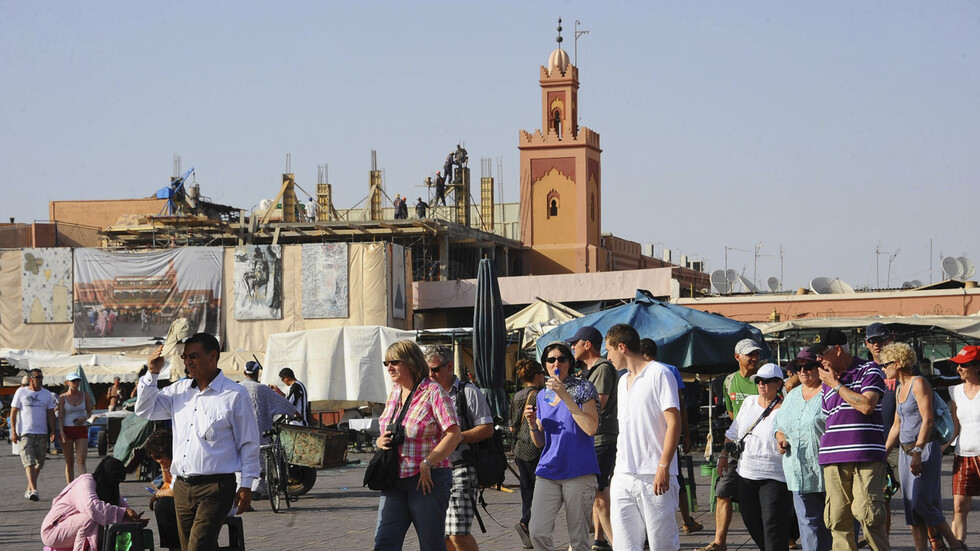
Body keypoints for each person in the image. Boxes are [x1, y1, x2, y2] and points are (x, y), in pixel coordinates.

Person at [135, 333, 261, 551]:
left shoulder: (234, 394)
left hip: (216, 488)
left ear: (213, 356)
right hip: (182, 487)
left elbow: (248, 443)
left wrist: (247, 485)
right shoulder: (178, 391)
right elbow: (145, 409)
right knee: (189, 547)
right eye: (184, 357)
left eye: (193, 355)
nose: (188, 361)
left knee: (198, 546)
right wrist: (152, 374)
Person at [373, 340, 462, 551]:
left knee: (431, 545)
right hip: (394, 478)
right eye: (386, 363)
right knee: (384, 542)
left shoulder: (433, 392)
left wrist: (428, 462)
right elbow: (389, 426)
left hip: (427, 480)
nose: (389, 367)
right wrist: (379, 440)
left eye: (395, 361)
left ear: (411, 362)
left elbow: (454, 434)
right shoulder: (395, 391)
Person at [881, 342, 965, 551]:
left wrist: (918, 451)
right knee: (911, 507)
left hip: (925, 449)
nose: (883, 368)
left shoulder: (919, 383)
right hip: (905, 452)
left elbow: (927, 420)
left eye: (886, 364)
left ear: (898, 363)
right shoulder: (900, 388)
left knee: (922, 501)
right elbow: (896, 426)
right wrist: (882, 454)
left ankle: (954, 544)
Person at [812, 328, 890, 551]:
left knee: (869, 516)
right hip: (833, 457)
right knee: (837, 520)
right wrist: (831, 383)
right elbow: (829, 419)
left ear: (837, 350)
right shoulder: (826, 380)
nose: (818, 360)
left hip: (866, 454)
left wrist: (837, 385)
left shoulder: (869, 369)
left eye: (821, 353)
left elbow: (867, 405)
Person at [605, 324, 681, 551]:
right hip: (623, 474)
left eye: (608, 351)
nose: (607, 357)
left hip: (654, 474)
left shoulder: (660, 373)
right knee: (624, 546)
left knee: (662, 544)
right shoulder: (621, 382)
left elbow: (674, 422)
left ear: (622, 347)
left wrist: (663, 465)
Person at [523, 341, 600, 551]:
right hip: (549, 471)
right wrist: (532, 424)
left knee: (578, 540)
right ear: (545, 365)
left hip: (579, 471)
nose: (556, 363)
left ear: (570, 362)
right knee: (537, 532)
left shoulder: (584, 388)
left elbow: (591, 428)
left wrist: (565, 396)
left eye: (562, 358)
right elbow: (540, 442)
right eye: (551, 359)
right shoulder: (543, 394)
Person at [425, 345, 494, 551]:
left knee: (458, 532)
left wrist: (456, 438)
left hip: (461, 466)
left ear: (449, 367)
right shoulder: (427, 393)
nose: (431, 374)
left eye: (435, 369)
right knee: (443, 534)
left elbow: (487, 428)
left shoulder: (467, 392)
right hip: (435, 469)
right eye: (427, 370)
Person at [698, 338, 762, 551]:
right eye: (749, 354)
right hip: (737, 448)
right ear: (737, 357)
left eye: (756, 354)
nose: (754, 358)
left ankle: (783, 538)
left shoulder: (763, 378)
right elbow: (733, 415)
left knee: (766, 496)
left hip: (762, 448)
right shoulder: (728, 382)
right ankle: (720, 542)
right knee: (722, 492)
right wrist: (727, 449)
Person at [721, 362, 790, 551]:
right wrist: (723, 455)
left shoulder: (786, 407)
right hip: (746, 473)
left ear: (779, 384)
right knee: (751, 521)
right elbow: (733, 431)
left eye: (767, 381)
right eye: (758, 380)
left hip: (775, 476)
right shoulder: (749, 402)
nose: (761, 384)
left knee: (772, 524)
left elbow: (787, 434)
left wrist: (784, 442)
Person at [640, 337, 701, 535]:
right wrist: (685, 433)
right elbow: (679, 405)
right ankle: (686, 520)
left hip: (643, 437)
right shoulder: (669, 370)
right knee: (676, 476)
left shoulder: (633, 372)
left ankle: (651, 526)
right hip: (667, 434)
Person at [567, 326, 618, 551]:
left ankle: (618, 543)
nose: (571, 347)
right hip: (591, 439)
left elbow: (597, 403)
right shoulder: (586, 372)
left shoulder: (603, 368)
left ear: (587, 345)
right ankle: (600, 539)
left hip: (601, 439)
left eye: (574, 343)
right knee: (598, 491)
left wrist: (567, 402)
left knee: (596, 491)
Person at [774, 348, 832, 551]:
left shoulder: (830, 391)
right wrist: (780, 438)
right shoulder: (792, 395)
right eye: (799, 368)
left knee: (835, 521)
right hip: (797, 470)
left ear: (819, 368)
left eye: (808, 366)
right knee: (808, 523)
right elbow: (778, 426)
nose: (803, 371)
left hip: (827, 469)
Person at [40, 457, 148, 551]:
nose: (116, 484)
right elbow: (92, 507)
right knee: (90, 520)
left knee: (107, 524)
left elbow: (122, 508)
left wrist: (134, 521)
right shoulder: (86, 482)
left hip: (72, 527)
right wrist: (125, 513)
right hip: (53, 530)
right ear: (108, 476)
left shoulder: (109, 487)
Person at [240, 360, 299, 495]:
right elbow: (284, 404)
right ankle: (259, 488)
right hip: (261, 432)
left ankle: (245, 492)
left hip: (240, 433)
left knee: (242, 463)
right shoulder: (262, 389)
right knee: (264, 459)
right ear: (257, 373)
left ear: (244, 373)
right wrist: (297, 413)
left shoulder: (236, 388)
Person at [864, 322, 898, 535]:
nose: (877, 344)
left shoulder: (902, 365)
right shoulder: (864, 369)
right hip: (874, 442)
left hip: (902, 445)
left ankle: (934, 540)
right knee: (880, 499)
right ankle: (880, 542)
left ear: (891, 338)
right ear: (866, 343)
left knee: (918, 500)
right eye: (872, 340)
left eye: (882, 339)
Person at [509, 359, 546, 549]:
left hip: (519, 449)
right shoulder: (538, 394)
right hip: (534, 445)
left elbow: (512, 424)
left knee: (526, 491)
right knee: (541, 492)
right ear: (537, 375)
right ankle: (526, 522)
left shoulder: (517, 395)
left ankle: (529, 530)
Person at [949, 345, 980, 543]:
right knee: (959, 507)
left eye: (963, 365)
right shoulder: (955, 391)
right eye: (957, 365)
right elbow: (954, 427)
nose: (958, 369)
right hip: (963, 456)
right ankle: (957, 547)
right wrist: (935, 450)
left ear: (977, 367)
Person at [10, 368, 57, 501]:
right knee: (28, 462)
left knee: (39, 463)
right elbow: (13, 412)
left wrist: (53, 430)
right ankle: (34, 490)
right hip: (25, 433)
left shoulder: (47, 394)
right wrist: (13, 431)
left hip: (41, 432)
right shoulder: (21, 392)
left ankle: (29, 489)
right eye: (38, 377)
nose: (40, 380)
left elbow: (51, 414)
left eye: (41, 377)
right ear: (31, 379)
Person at [144, 429, 181, 551]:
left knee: (163, 506)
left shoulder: (179, 459)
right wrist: (163, 464)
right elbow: (168, 481)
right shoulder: (172, 459)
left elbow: (175, 490)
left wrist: (158, 494)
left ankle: (175, 547)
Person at [58, 372, 93, 483]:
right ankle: (70, 486)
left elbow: (89, 413)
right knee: (69, 462)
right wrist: (61, 432)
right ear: (67, 382)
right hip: (67, 429)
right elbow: (60, 416)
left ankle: (83, 485)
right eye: (73, 381)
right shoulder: (63, 398)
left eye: (78, 380)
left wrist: (84, 418)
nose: (76, 383)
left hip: (81, 429)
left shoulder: (85, 395)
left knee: (81, 460)